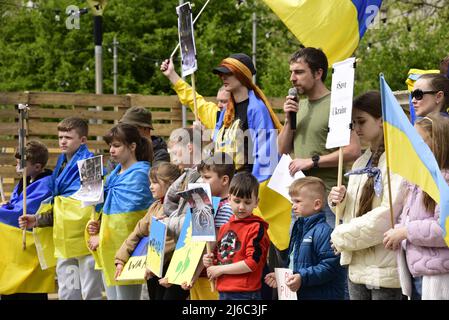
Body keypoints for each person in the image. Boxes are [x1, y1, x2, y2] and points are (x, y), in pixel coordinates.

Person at [328, 91, 403, 300]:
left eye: (361, 121)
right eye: (353, 123)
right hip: (357, 264)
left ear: (381, 120)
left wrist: (342, 236)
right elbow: (353, 209)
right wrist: (339, 201)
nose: (357, 129)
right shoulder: (362, 161)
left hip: (384, 265)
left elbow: (388, 213)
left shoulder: (397, 160)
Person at [19, 117, 103, 300]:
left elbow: (96, 207)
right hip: (65, 239)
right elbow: (61, 203)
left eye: (68, 137)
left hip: (85, 239)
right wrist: (37, 219)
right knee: (67, 291)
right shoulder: (61, 162)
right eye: (60, 137)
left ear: (82, 140)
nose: (63, 141)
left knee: (90, 293)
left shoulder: (91, 163)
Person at [277, 47, 361, 228]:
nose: (292, 78)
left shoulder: (337, 103)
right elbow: (282, 149)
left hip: (328, 201)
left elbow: (353, 150)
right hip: (299, 202)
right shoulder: (299, 106)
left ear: (318, 73)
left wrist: (312, 161)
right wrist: (288, 119)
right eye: (291, 72)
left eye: (299, 72)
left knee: (327, 256)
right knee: (297, 257)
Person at [383, 114, 449, 300]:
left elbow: (444, 229)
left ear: (439, 143)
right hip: (417, 272)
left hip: (437, 277)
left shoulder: (445, 181)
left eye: (419, 141)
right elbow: (410, 220)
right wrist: (397, 234)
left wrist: (404, 232)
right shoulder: (417, 180)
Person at [86, 123, 154, 300]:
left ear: (132, 147)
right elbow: (111, 213)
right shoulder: (113, 176)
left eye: (116, 145)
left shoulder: (141, 174)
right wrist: (98, 227)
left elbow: (130, 219)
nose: (111, 150)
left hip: (130, 250)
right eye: (110, 146)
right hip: (108, 248)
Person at [265, 177, 346, 300]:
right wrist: (283, 277)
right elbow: (294, 263)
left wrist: (301, 278)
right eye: (292, 202)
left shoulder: (324, 231)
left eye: (298, 201)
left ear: (317, 204)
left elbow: (329, 267)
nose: (293, 207)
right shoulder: (298, 229)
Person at [114, 163, 182, 300]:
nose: (151, 186)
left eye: (155, 183)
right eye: (150, 182)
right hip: (153, 270)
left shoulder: (179, 209)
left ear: (171, 184)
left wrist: (154, 264)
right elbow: (137, 232)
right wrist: (121, 259)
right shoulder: (155, 207)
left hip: (171, 269)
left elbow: (171, 242)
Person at [203, 172, 270, 300]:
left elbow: (252, 263)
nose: (241, 207)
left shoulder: (256, 227)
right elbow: (221, 259)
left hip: (245, 293)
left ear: (256, 202)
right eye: (237, 201)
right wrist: (209, 261)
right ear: (229, 199)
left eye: (247, 202)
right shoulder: (224, 227)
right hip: (223, 291)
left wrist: (221, 270)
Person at [1, 141, 53, 300]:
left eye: (21, 163)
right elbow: (15, 204)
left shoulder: (45, 184)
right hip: (16, 248)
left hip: (33, 246)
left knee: (30, 291)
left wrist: (5, 209)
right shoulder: (26, 180)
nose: (17, 166)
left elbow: (22, 211)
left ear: (37, 167)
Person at [181, 152, 235, 300]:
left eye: (207, 177)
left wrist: (193, 274)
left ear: (224, 180)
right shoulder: (206, 204)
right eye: (201, 177)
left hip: (212, 277)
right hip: (201, 275)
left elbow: (212, 242)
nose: (202, 182)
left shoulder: (227, 207)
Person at [160, 58, 230, 129]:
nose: (219, 105)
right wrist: (171, 74)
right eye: (219, 101)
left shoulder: (240, 118)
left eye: (224, 101)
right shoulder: (215, 115)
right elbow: (192, 98)